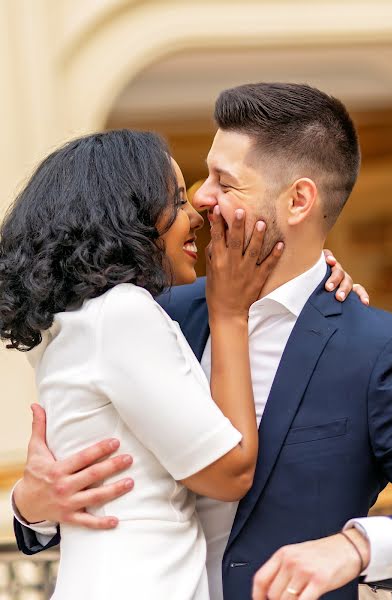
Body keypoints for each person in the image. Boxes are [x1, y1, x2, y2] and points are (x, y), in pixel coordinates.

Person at [11, 83, 392, 600]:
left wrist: (358, 548)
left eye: (225, 182)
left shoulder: (375, 348)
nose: (200, 196)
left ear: (299, 201)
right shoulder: (153, 312)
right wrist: (30, 505)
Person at [0, 128, 288, 599]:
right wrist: (229, 314)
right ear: (126, 217)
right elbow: (228, 473)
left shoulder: (80, 320)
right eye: (175, 202)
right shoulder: (120, 313)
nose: (194, 215)